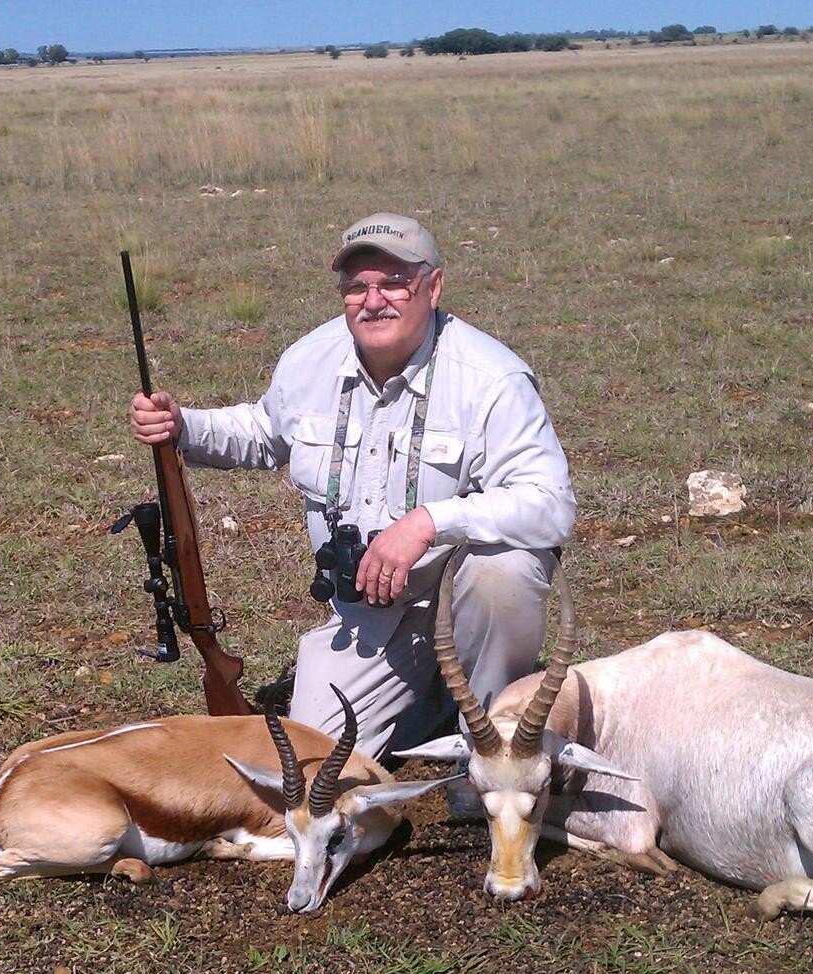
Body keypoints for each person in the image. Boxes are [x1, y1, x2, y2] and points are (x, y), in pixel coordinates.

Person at [129, 212, 576, 760]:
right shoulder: (310, 358)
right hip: (365, 613)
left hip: (460, 599)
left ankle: (490, 741)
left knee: (501, 573)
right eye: (357, 286)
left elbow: (551, 504)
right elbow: (266, 432)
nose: (374, 300)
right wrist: (184, 426)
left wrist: (429, 522)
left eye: (394, 282)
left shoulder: (492, 377)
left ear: (432, 287)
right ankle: (433, 706)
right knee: (315, 763)